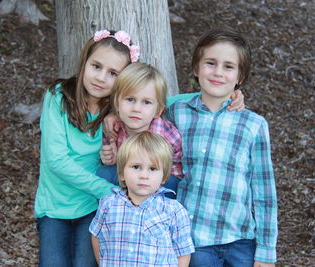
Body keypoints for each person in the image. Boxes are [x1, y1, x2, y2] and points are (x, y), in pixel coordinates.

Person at [166, 28, 278, 267]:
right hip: (195, 241)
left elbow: (264, 193)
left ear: (240, 77)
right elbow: (147, 104)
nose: (218, 72)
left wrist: (266, 251)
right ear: (196, 68)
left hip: (240, 241)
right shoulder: (177, 113)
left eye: (228, 66)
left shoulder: (254, 125)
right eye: (210, 63)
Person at [34, 29, 140, 267]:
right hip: (54, 209)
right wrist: (108, 191)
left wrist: (228, 96)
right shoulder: (58, 97)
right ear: (84, 62)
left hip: (93, 209)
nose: (101, 77)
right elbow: (57, 161)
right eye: (96, 66)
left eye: (113, 73)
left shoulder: (118, 109)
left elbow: (158, 99)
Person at [89, 131, 195, 266]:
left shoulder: (174, 211)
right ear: (121, 173)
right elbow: (96, 236)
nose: (144, 175)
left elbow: (183, 252)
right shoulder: (109, 204)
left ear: (164, 176)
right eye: (136, 167)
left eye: (152, 168)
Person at [97, 62, 184, 198]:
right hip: (129, 176)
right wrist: (109, 158)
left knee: (171, 183)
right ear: (117, 104)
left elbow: (178, 166)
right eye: (130, 99)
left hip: (162, 181)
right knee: (104, 173)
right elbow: (112, 159)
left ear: (158, 111)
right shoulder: (114, 128)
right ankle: (116, 210)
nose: (136, 108)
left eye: (146, 102)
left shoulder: (167, 135)